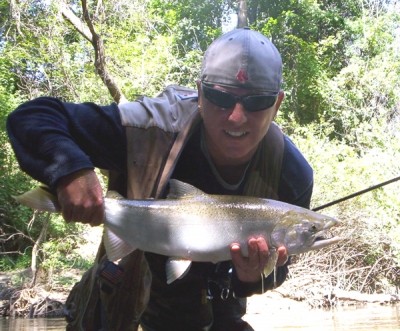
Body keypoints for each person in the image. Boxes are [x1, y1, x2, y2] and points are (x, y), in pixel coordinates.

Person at [7, 28, 313, 331]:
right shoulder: (148, 127)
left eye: (257, 101)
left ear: (277, 104)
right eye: (220, 96)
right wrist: (71, 171)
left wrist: (249, 278)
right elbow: (32, 117)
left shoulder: (291, 174)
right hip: (122, 304)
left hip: (217, 315)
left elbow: (278, 270)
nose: (236, 116)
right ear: (200, 93)